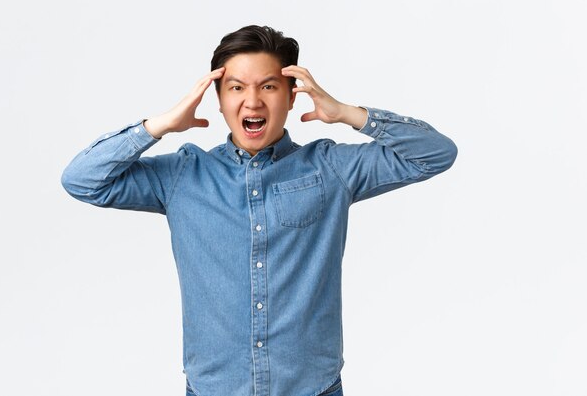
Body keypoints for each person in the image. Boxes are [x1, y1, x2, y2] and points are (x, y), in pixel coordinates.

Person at [61, 25, 458, 396]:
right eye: (235, 88)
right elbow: (82, 180)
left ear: (290, 95)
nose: (252, 101)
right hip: (213, 389)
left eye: (268, 86)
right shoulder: (183, 175)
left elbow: (435, 155)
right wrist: (159, 125)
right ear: (218, 100)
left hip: (312, 388)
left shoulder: (331, 168)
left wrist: (346, 113)